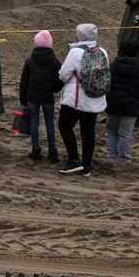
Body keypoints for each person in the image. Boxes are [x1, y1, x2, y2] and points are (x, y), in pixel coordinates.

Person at [57, 24, 109, 176]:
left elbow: (63, 75)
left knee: (65, 126)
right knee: (88, 131)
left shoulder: (75, 52)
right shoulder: (103, 52)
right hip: (95, 99)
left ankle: (74, 159)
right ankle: (87, 165)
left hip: (76, 99)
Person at [18, 30, 63, 163]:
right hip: (47, 97)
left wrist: (23, 99)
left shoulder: (30, 61)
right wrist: (54, 89)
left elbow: (23, 82)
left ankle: (36, 149)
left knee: (34, 122)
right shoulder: (55, 62)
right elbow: (60, 79)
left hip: (33, 96)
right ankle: (52, 151)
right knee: (50, 123)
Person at [104, 40, 139, 162]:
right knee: (126, 134)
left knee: (111, 132)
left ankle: (111, 158)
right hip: (131, 107)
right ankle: (125, 159)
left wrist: (106, 100)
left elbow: (105, 84)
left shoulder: (112, 66)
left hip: (113, 104)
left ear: (120, 52)